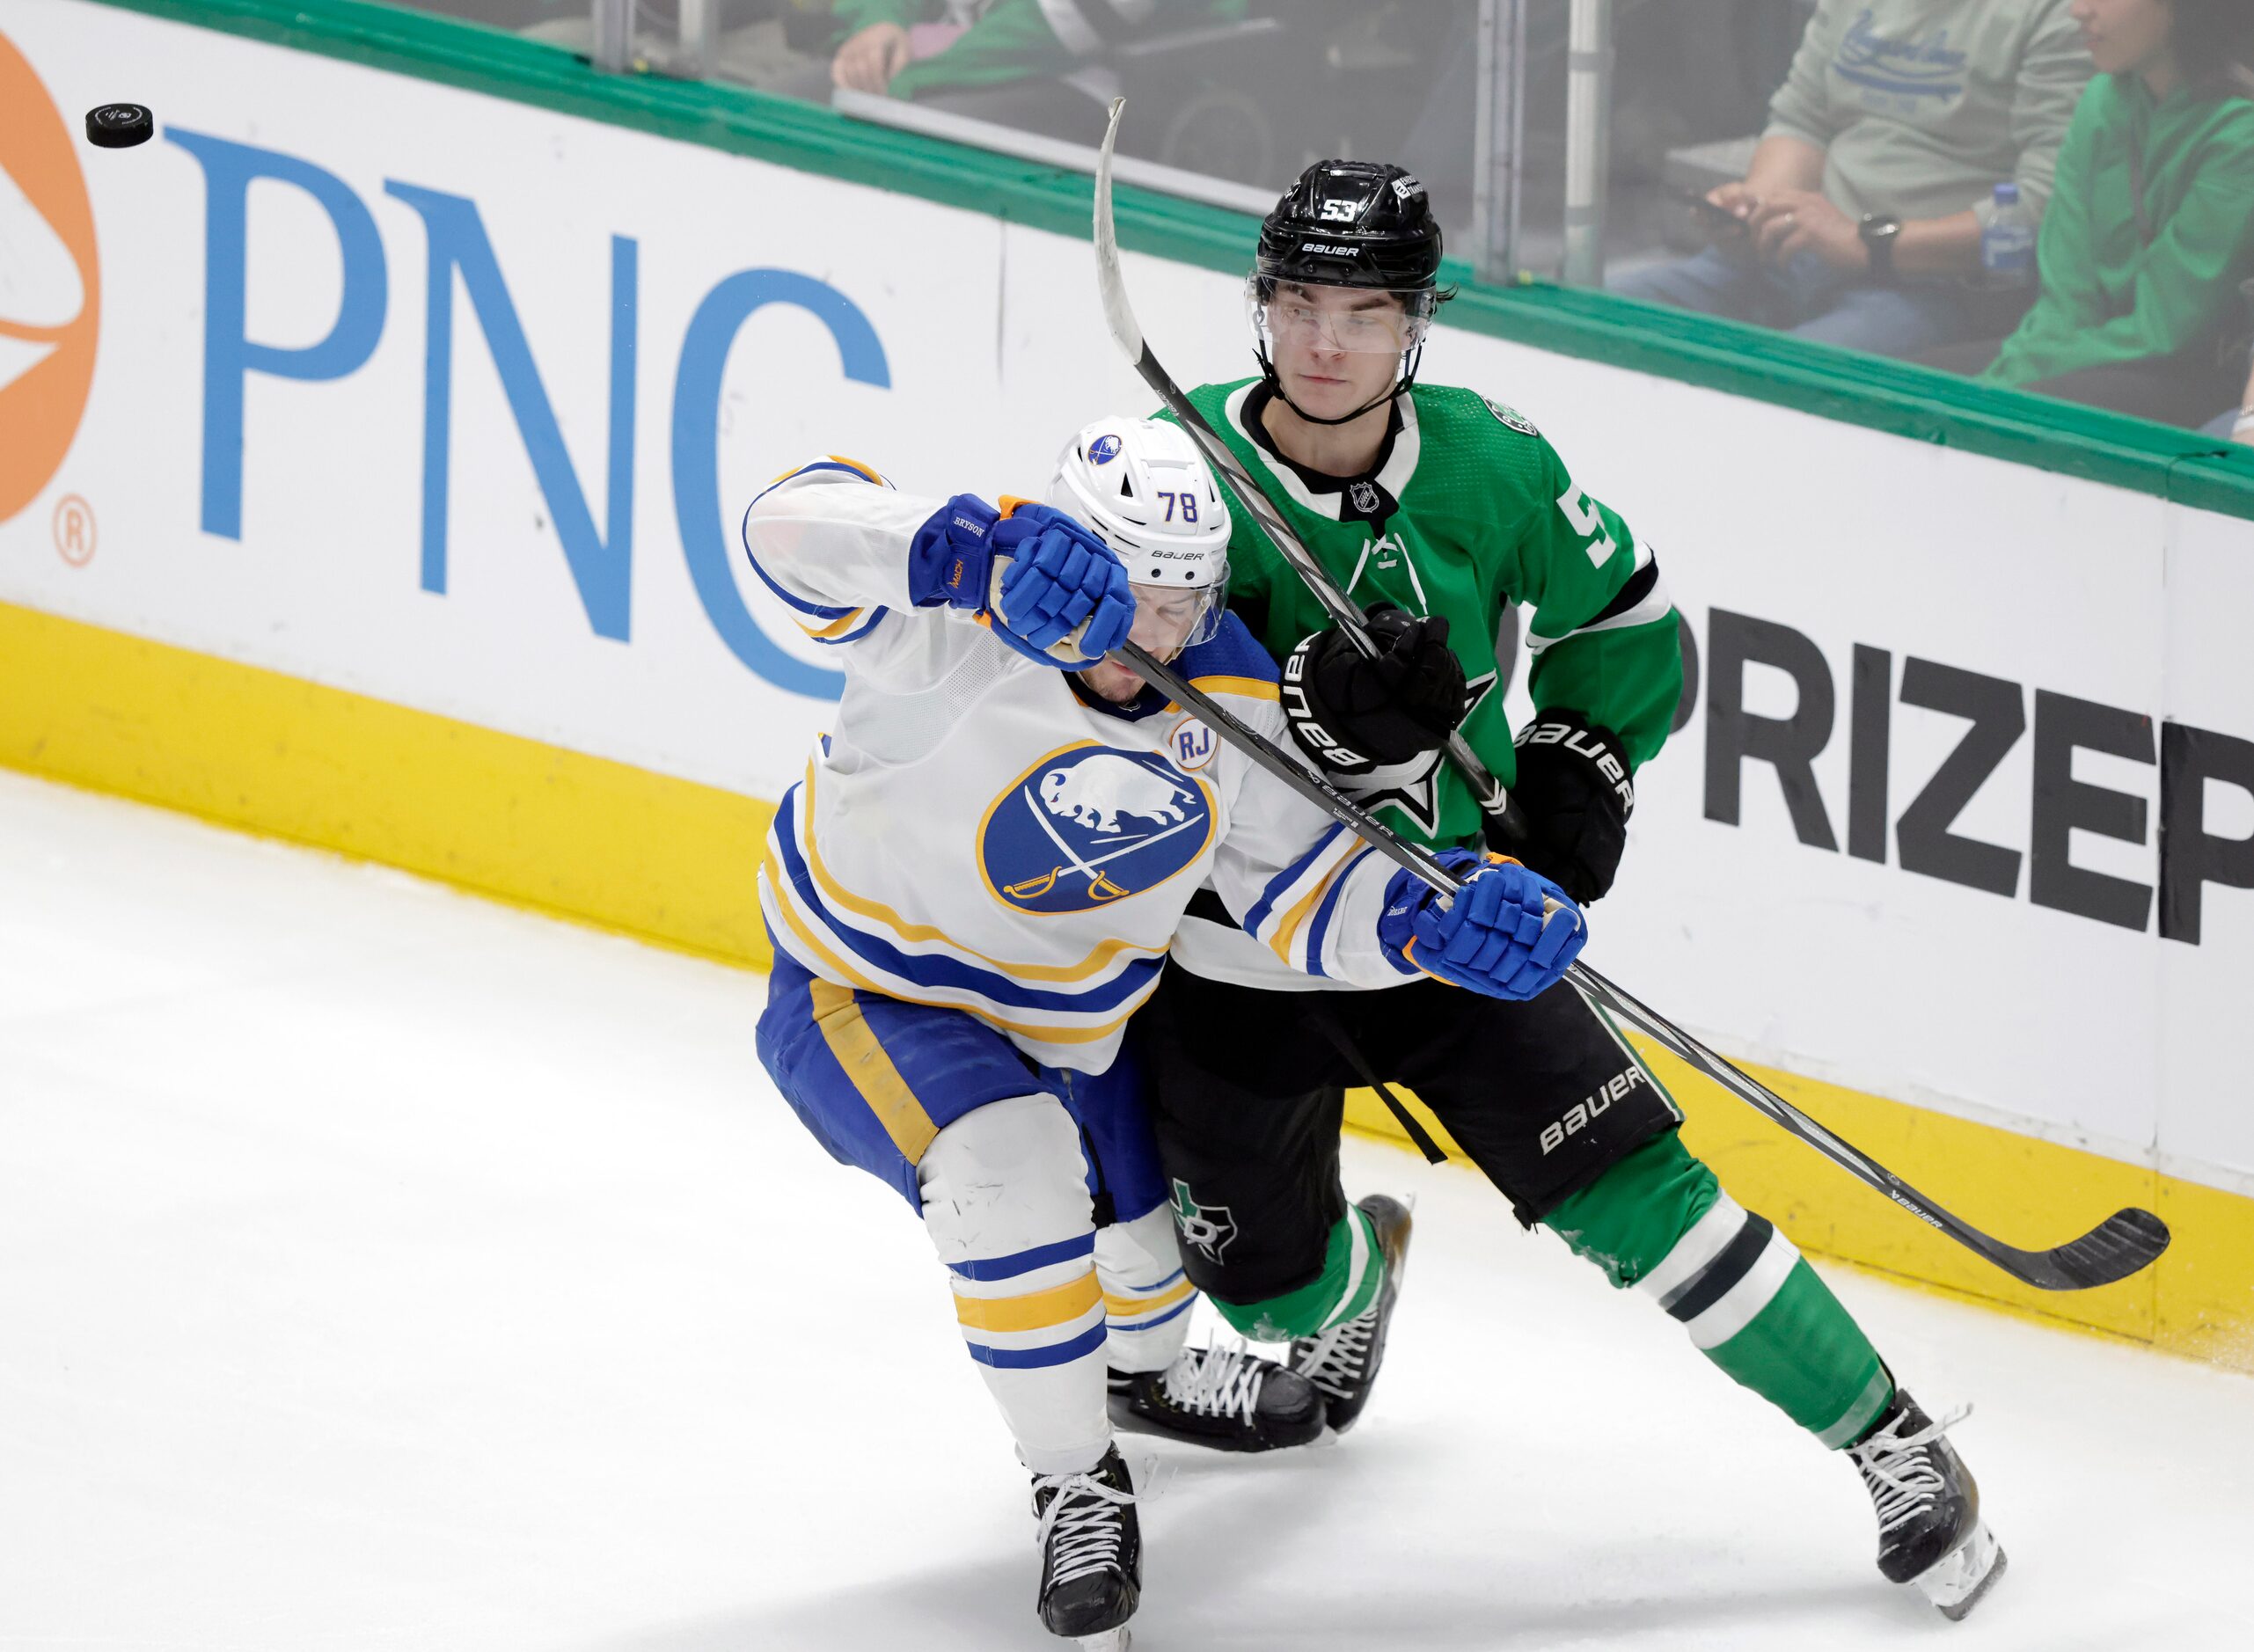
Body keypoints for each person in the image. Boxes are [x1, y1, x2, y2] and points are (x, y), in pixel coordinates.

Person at [1130, 160, 2009, 1621]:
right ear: (1258, 307)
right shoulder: (1170, 468)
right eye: (1297, 304)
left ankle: (1897, 1444)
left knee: (1647, 1202)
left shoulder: (1489, 464)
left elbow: (1627, 625)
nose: (1324, 342)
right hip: (1236, 949)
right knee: (1266, 1290)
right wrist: (1310, 702)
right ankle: (1350, 1297)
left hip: (1453, 920)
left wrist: (1569, 810)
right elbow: (1101, 692)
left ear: (1418, 322)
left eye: (1366, 309)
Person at [743, 420, 1590, 1647]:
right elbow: (783, 529)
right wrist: (957, 549)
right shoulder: (951, 614)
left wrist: (1424, 916)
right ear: (1069, 553)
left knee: (1155, 1263)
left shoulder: (1229, 684)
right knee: (1008, 1180)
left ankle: (1148, 1368)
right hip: (868, 990)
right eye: (1130, 590)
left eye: (1183, 598)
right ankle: (1078, 1485)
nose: (1157, 633)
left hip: (1077, 1031)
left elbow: (1293, 883)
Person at [1612, 0, 2089, 357]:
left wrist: (1868, 244)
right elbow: (1803, 120)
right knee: (1593, 320)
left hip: (1934, 285)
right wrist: (1755, 208)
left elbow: (2044, 205)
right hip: (1794, 255)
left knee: (1772, 383)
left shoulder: (2058, 13)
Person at [1928, 0, 2254, 425]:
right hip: (2089, 345)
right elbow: (2066, 289)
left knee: (1995, 416)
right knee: (1893, 383)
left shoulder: (2239, 128)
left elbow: (2166, 329)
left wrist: (2015, 373)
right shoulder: (2103, 97)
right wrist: (2023, 360)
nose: (2077, 10)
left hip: (2189, 369)